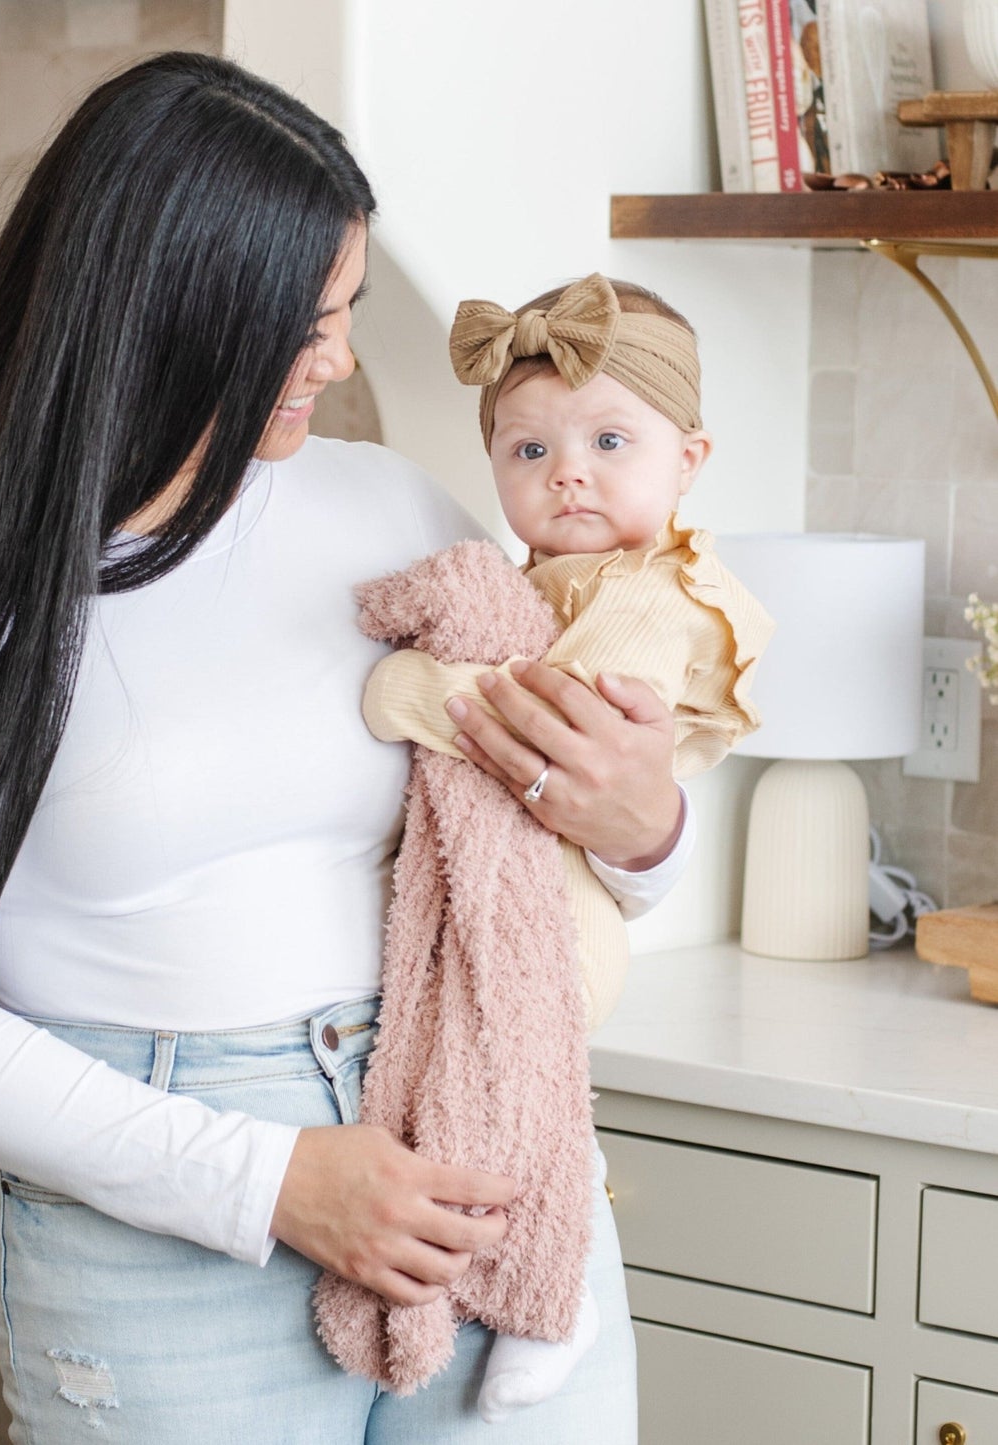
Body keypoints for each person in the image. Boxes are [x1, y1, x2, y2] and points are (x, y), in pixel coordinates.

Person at [0, 54, 690, 1444]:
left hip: (487, 1154)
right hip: (172, 1237)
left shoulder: (399, 515)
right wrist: (269, 1180)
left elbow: (545, 864)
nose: (342, 362)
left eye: (346, 313)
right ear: (171, 311)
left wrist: (648, 828)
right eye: (304, 323)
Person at [358, 273, 774, 1420]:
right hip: (531, 887)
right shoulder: (553, 579)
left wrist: (399, 684)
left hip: (567, 912)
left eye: (605, 439)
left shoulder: (657, 598)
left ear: (687, 459)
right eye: (526, 450)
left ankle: (550, 1288)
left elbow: (519, 714)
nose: (565, 472)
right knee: (482, 1103)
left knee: (505, 1105)